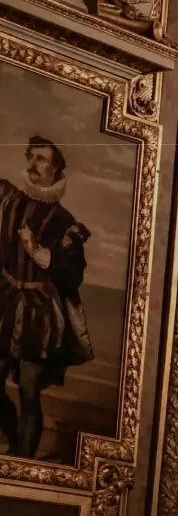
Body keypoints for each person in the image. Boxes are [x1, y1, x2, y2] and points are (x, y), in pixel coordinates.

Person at [0, 136, 92, 461]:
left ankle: (22, 463)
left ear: (56, 169)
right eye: (32, 157)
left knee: (28, 389)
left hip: (39, 311)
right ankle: (12, 441)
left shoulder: (65, 222)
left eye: (42, 160)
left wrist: (39, 252)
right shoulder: (8, 198)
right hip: (5, 301)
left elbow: (72, 274)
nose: (34, 164)